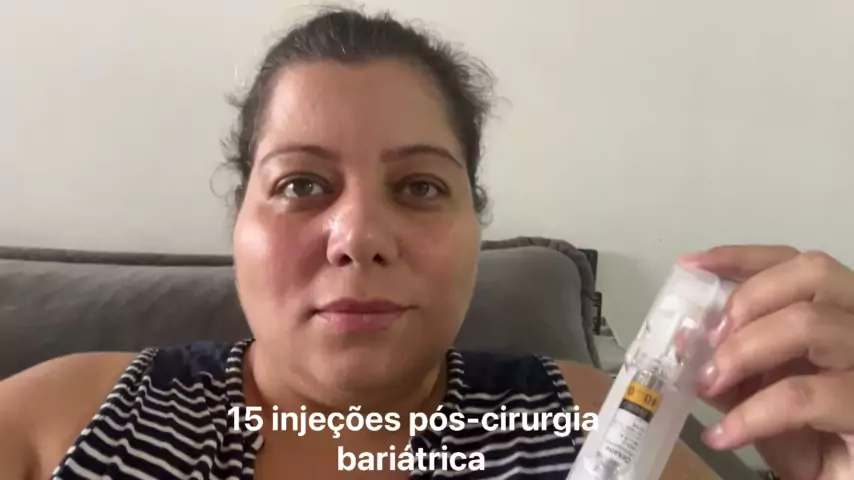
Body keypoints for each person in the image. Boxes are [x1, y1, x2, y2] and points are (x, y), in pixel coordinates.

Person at [1, 8, 853, 480]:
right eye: (301, 184)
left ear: (476, 223)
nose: (360, 237)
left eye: (418, 187)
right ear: (239, 221)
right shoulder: (55, 423)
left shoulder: (598, 429)